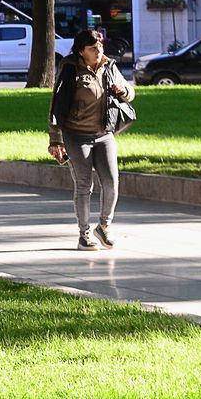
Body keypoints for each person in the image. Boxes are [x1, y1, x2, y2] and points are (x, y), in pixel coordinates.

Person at [48, 28, 135, 251]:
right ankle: (84, 234)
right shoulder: (70, 69)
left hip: (104, 134)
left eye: (100, 47)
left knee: (112, 183)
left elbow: (130, 92)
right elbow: (57, 104)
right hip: (76, 135)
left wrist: (123, 90)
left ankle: (104, 227)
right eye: (93, 48)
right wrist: (56, 139)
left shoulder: (109, 66)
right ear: (81, 51)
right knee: (85, 185)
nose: (98, 51)